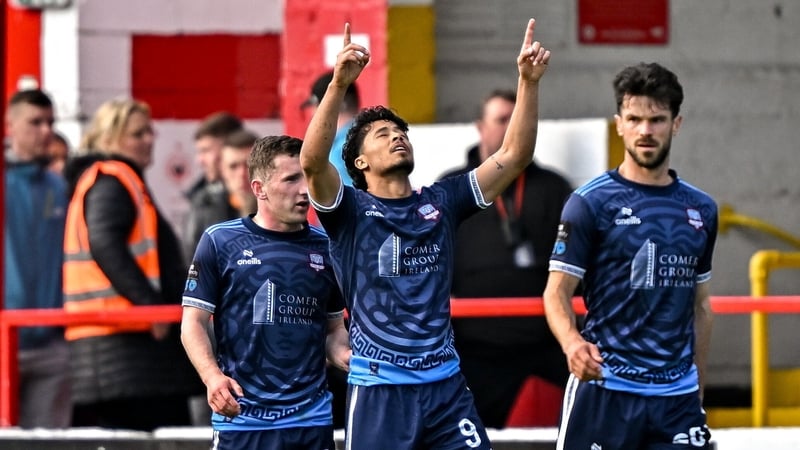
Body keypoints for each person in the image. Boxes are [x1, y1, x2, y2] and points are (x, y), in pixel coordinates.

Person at [300, 20, 550, 450]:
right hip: (381, 392)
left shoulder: (443, 201)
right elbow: (311, 163)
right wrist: (339, 83)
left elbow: (514, 156)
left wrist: (527, 82)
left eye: (401, 132)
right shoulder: (348, 212)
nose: (397, 136)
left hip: (446, 388)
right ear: (359, 163)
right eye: (383, 134)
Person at [543, 62, 717, 449]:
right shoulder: (589, 203)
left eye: (657, 119)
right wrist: (572, 343)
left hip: (677, 400)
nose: (645, 131)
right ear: (619, 123)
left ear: (676, 123)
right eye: (634, 118)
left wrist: (698, 391)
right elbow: (556, 293)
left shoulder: (701, 209)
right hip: (606, 391)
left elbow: (701, 308)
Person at [180, 135, 349, 450]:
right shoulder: (220, 241)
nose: (304, 190)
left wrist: (345, 355)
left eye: (308, 177)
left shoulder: (327, 247)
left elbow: (334, 329)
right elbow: (192, 323)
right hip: (243, 420)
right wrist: (211, 377)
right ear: (259, 189)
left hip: (310, 421)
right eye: (291, 179)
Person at [63, 98, 204, 431]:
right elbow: (105, 244)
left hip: (119, 348)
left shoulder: (113, 180)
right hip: (125, 346)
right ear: (110, 137)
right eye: (137, 133)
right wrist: (150, 307)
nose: (149, 140)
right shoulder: (113, 181)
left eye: (149, 132)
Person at [439, 88, 573, 428]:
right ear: (480, 127)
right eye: (501, 120)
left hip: (544, 338)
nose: (510, 128)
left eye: (517, 120)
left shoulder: (554, 188)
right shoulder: (452, 188)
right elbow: (433, 259)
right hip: (474, 344)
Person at [4, 89, 71, 428]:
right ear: (10, 126)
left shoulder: (59, 187)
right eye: (35, 122)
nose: (46, 131)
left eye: (50, 122)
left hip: (51, 337)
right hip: (5, 336)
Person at [183, 111, 244, 261]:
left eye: (206, 150)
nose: (200, 160)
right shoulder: (201, 198)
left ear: (227, 149)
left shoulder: (264, 192)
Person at [301, 70, 360, 186]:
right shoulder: (367, 135)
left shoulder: (345, 144)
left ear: (339, 103)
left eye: (318, 105)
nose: (314, 113)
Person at [219, 129, 259, 218]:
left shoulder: (282, 211)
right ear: (222, 169)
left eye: (249, 165)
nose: (242, 174)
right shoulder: (207, 211)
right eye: (233, 166)